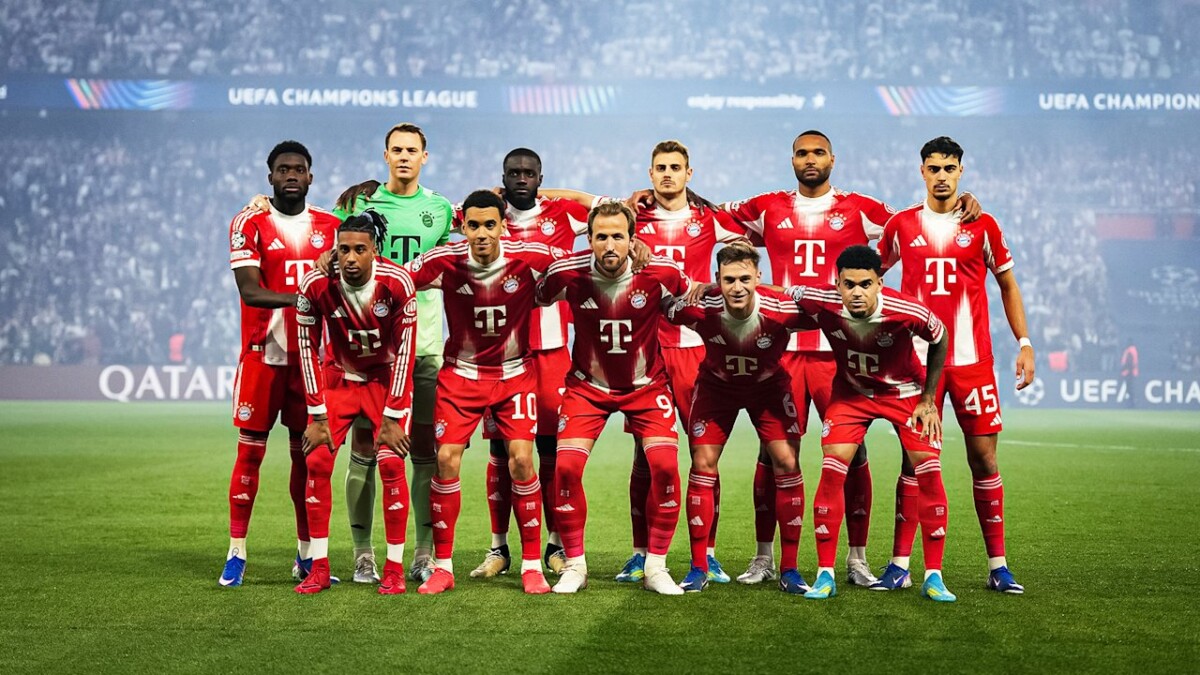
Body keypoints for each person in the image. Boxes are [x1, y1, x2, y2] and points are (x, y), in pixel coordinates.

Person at [720, 130, 980, 587]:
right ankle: (766, 556)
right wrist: (643, 202)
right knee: (775, 454)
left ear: (833, 160)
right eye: (802, 153)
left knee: (851, 453)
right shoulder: (768, 207)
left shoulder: (863, 210)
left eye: (818, 152)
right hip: (780, 351)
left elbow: (918, 222)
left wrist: (961, 203)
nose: (810, 159)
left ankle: (856, 558)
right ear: (792, 160)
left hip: (837, 355)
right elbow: (704, 218)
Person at [539, 140, 747, 585]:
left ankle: (703, 554)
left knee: (700, 455)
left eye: (675, 167)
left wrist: (713, 289)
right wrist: (530, 194)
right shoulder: (631, 212)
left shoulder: (708, 218)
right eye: (660, 168)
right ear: (649, 173)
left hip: (686, 345)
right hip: (638, 347)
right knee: (641, 455)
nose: (667, 174)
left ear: (689, 173)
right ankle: (640, 554)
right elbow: (576, 201)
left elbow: (748, 246)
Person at [877, 136, 1033, 594]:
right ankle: (900, 564)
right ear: (921, 172)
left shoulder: (983, 225)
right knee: (915, 460)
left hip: (972, 363)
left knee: (983, 459)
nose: (941, 175)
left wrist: (1024, 342)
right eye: (933, 168)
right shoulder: (902, 225)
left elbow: (1008, 285)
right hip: (918, 364)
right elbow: (868, 276)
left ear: (960, 171)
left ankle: (998, 565)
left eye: (949, 167)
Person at [402, 190, 566, 595]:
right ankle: (443, 566)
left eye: (489, 225)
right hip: (460, 375)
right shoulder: (445, 261)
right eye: (473, 225)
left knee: (523, 461)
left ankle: (531, 565)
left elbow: (578, 268)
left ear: (502, 225)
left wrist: (633, 253)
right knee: (445, 459)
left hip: (515, 375)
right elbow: (396, 276)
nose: (481, 233)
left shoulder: (529, 256)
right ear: (463, 227)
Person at [535, 200, 693, 596]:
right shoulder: (568, 272)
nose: (609, 244)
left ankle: (656, 566)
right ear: (588, 239)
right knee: (566, 468)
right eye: (600, 236)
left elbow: (689, 295)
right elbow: (535, 296)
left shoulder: (660, 271)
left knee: (665, 467)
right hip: (587, 386)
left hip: (645, 386)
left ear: (631, 239)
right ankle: (575, 566)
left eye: (617, 236)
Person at [784, 245, 955, 602]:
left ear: (879, 283)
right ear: (837, 283)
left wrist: (928, 399)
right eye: (848, 285)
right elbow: (773, 291)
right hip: (851, 394)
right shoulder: (821, 300)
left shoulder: (906, 310)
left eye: (865, 284)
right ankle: (825, 574)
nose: (856, 293)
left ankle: (934, 576)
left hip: (904, 392)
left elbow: (940, 338)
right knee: (832, 468)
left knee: (928, 467)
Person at [330, 123, 454, 584]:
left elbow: (499, 215)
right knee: (365, 447)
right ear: (385, 156)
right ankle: (363, 553)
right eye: (396, 150)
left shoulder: (441, 209)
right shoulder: (358, 203)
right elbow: (329, 241)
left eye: (412, 150)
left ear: (425, 156)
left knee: (423, 451)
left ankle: (423, 551)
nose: (404, 156)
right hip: (370, 353)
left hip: (423, 348)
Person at [219, 140, 341, 587]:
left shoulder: (332, 226)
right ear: (270, 176)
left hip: (311, 361)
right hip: (262, 358)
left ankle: (306, 554)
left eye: (299, 168)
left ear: (311, 176)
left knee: (305, 460)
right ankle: (236, 552)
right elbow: (249, 290)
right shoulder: (248, 222)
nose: (291, 174)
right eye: (283, 168)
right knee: (248, 456)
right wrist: (306, 296)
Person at [469, 148, 592, 580]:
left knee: (551, 451)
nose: (522, 179)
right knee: (501, 450)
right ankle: (499, 547)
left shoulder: (562, 215)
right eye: (514, 174)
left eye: (530, 174)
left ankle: (555, 546)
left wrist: (551, 190)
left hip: (553, 350)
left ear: (540, 177)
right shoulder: (485, 217)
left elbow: (605, 207)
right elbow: (428, 212)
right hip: (502, 353)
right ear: (501, 178)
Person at [663, 243, 810, 593]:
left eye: (745, 278)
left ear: (759, 278)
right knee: (702, 461)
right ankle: (699, 566)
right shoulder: (701, 310)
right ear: (717, 280)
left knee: (787, 462)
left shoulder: (782, 310)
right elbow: (662, 304)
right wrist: (689, 290)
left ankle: (788, 568)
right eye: (729, 280)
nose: (738, 287)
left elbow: (831, 312)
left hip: (768, 388)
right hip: (718, 388)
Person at [293, 211, 419, 595]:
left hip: (385, 381)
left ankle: (395, 568)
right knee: (315, 459)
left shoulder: (397, 283)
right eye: (343, 249)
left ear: (374, 251)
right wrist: (315, 413)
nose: (350, 257)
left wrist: (394, 415)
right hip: (341, 382)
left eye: (359, 249)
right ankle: (318, 567)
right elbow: (306, 348)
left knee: (392, 462)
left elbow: (406, 353)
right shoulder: (315, 285)